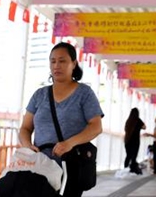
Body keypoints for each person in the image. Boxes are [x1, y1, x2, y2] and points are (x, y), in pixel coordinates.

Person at [19, 43, 103, 197]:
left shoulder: (84, 93)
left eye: (62, 61)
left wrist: (69, 143)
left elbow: (96, 127)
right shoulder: (39, 95)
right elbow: (25, 128)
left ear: (74, 63)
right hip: (40, 167)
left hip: (71, 167)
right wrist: (27, 146)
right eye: (53, 61)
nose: (56, 65)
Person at [123, 108, 146, 174]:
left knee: (128, 155)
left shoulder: (128, 120)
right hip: (135, 141)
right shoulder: (138, 120)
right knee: (134, 156)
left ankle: (125, 168)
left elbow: (125, 129)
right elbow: (144, 127)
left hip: (127, 141)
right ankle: (132, 169)